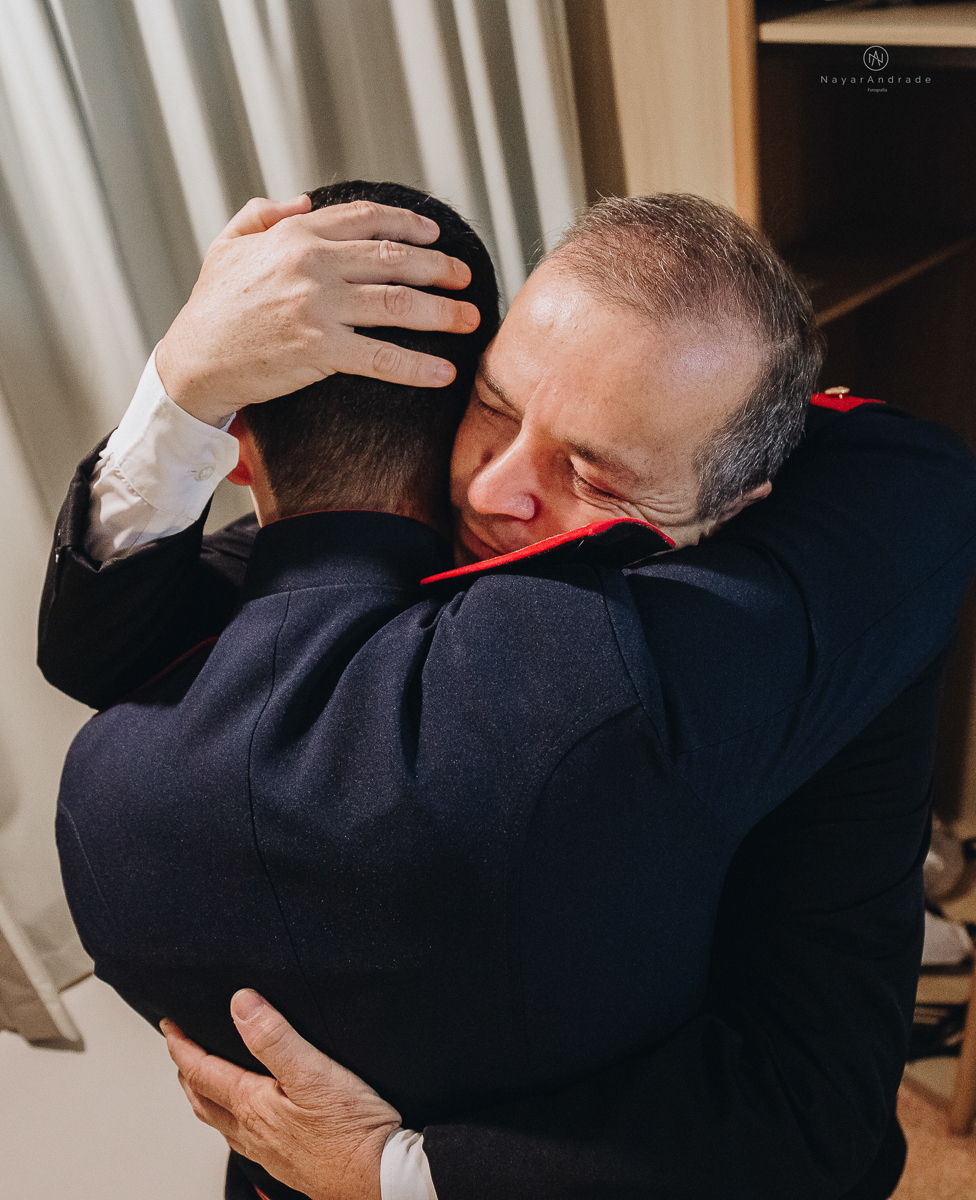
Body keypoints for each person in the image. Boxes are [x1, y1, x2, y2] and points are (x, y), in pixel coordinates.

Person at [42, 184, 976, 1200]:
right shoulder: (413, 500)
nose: (493, 490)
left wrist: (388, 1172)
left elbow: (813, 1110)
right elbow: (102, 646)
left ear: (737, 507)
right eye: (492, 406)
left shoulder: (792, 657)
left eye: (595, 473)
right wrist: (179, 388)